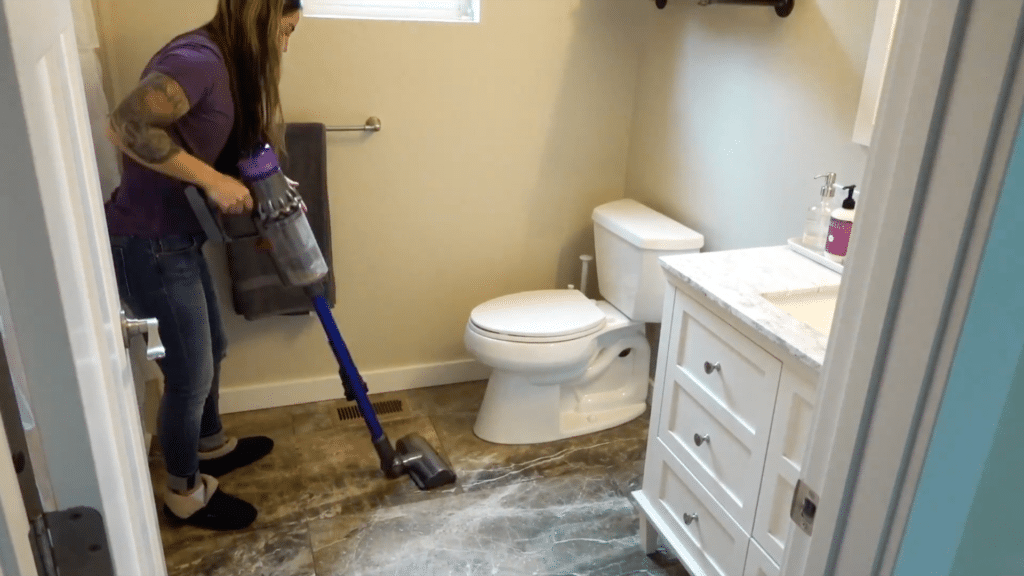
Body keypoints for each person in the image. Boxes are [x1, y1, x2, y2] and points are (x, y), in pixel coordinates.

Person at [104, 0, 303, 531]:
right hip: (148, 240)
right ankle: (184, 491)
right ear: (264, 19)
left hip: (176, 238)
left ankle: (210, 443)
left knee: (211, 349)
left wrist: (267, 187)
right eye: (285, 31)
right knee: (189, 374)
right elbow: (126, 123)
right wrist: (214, 182)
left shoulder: (221, 65)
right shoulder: (199, 59)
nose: (284, 46)